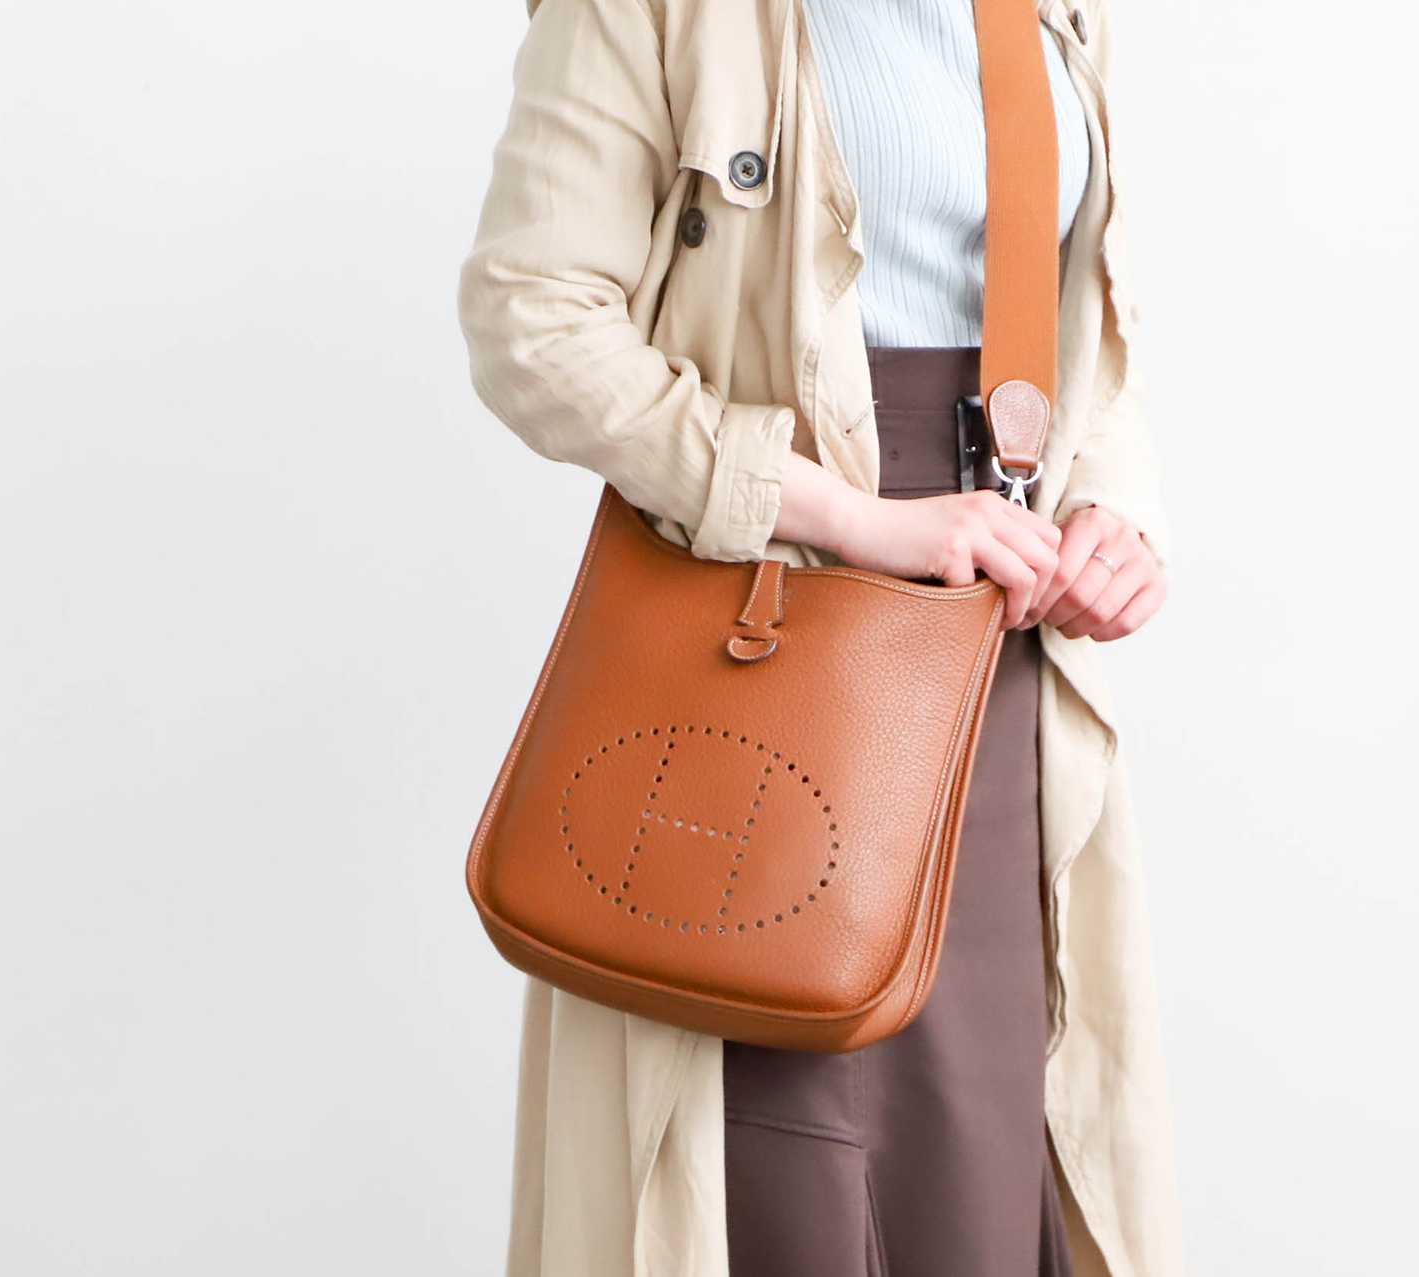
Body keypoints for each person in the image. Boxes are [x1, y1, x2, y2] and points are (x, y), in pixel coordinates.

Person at [457, 1, 1184, 1274]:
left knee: (987, 1155)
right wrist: (851, 517)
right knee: (773, 1161)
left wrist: (1111, 513)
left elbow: (1080, 321)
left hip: (997, 652)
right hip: (767, 648)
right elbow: (532, 319)